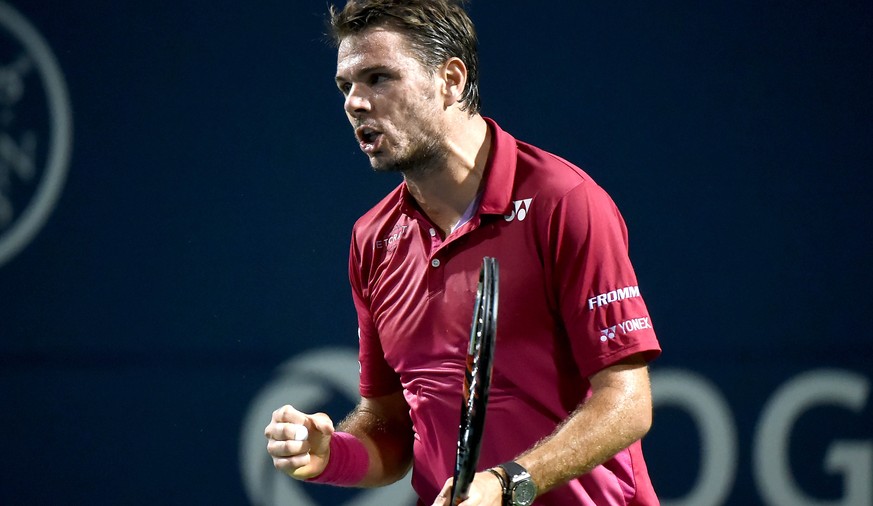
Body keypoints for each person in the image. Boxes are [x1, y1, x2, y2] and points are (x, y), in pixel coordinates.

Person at [264, 1, 662, 504]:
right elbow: (390, 425)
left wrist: (507, 483)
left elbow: (627, 404)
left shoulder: (563, 202)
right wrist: (331, 454)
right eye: (346, 85)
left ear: (451, 79)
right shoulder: (372, 239)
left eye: (379, 78)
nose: (355, 103)